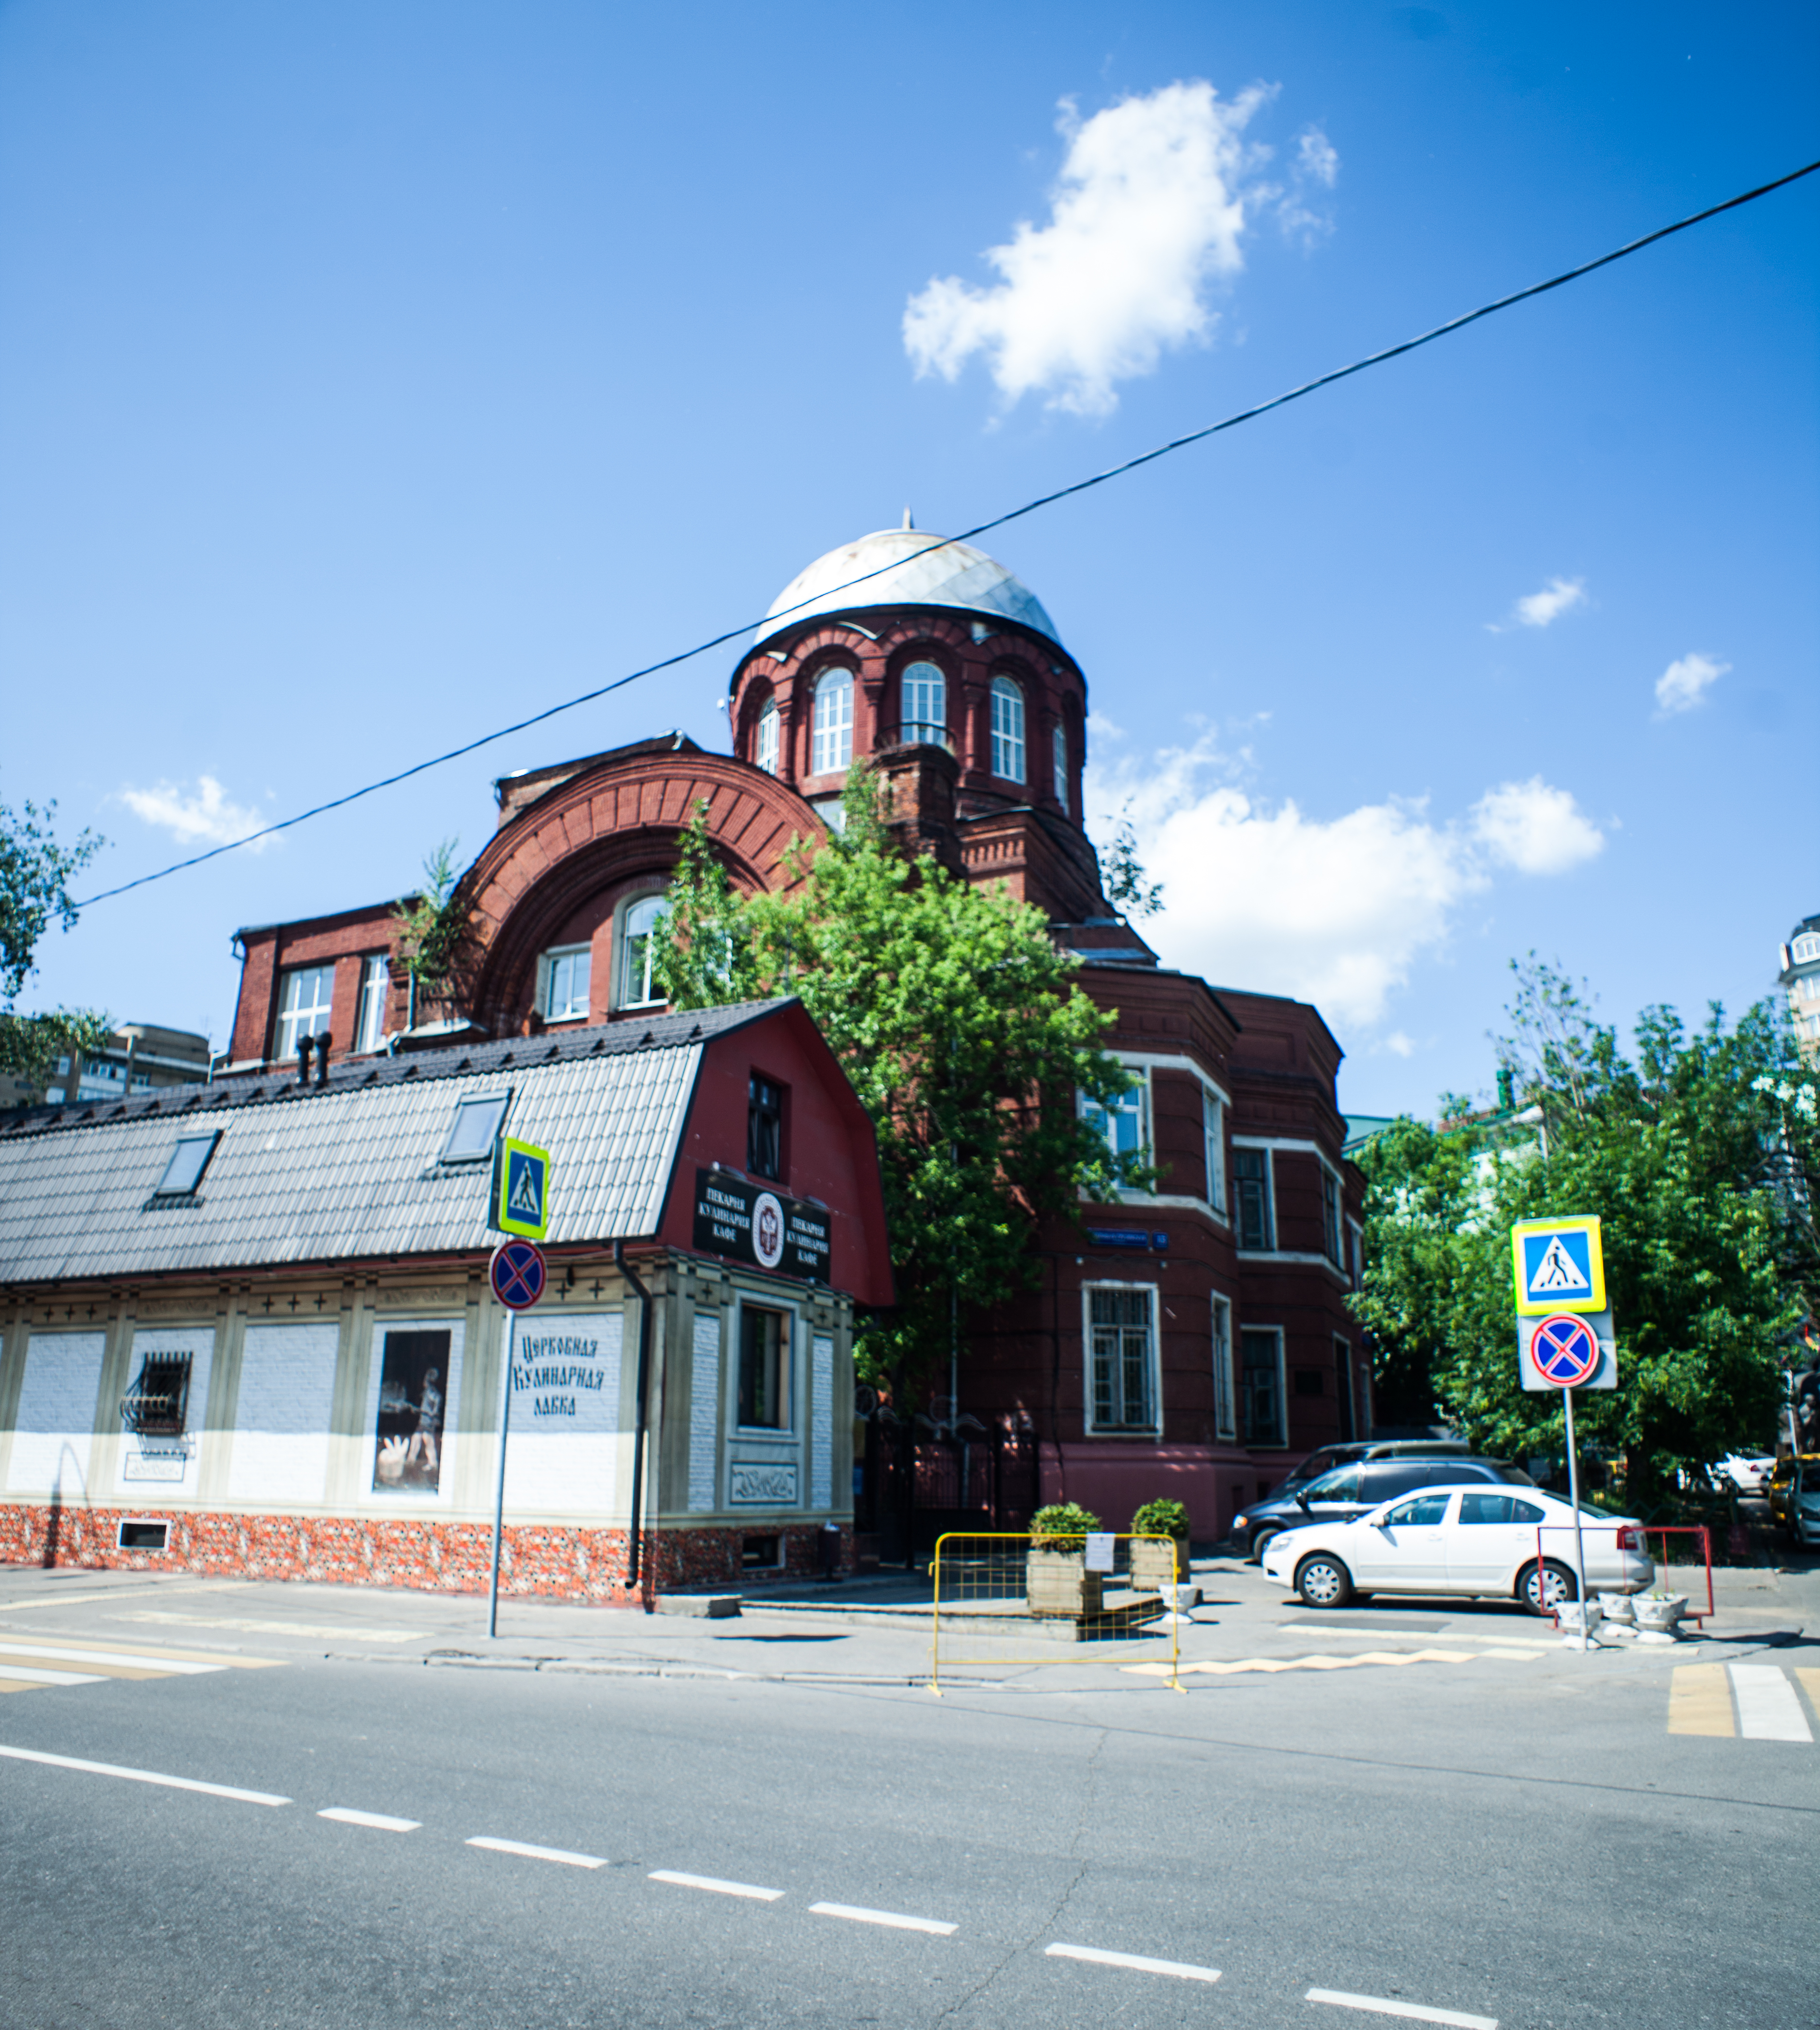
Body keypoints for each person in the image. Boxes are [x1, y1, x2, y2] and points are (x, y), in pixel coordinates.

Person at [407, 1366, 444, 1478]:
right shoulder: (428, 1392)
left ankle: (432, 1463)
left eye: (426, 1379)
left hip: (427, 1422)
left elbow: (434, 1408)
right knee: (417, 1439)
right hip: (424, 1421)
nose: (424, 1381)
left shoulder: (432, 1393)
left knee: (427, 1441)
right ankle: (411, 1460)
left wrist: (430, 1413)